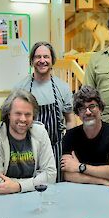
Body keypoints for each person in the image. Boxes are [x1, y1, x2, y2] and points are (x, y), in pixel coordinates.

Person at [15, 41, 75, 181]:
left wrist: (68, 149)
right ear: (32, 60)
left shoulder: (63, 88)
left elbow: (70, 119)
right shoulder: (20, 88)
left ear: (52, 60)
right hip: (28, 150)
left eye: (46, 57)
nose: (42, 61)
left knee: (57, 188)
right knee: (31, 187)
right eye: (38, 57)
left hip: (57, 149)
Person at [0, 89, 56, 194]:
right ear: (8, 114)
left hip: (33, 197)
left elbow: (51, 175)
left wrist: (18, 186)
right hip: (2, 201)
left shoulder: (40, 132)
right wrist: (36, 181)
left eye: (28, 114)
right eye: (18, 113)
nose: (23, 119)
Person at [61, 86, 109, 187]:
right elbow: (67, 175)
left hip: (107, 193)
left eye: (92, 106)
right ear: (78, 113)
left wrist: (79, 167)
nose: (87, 112)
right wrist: (103, 181)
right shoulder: (70, 136)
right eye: (82, 108)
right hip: (79, 190)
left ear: (100, 108)